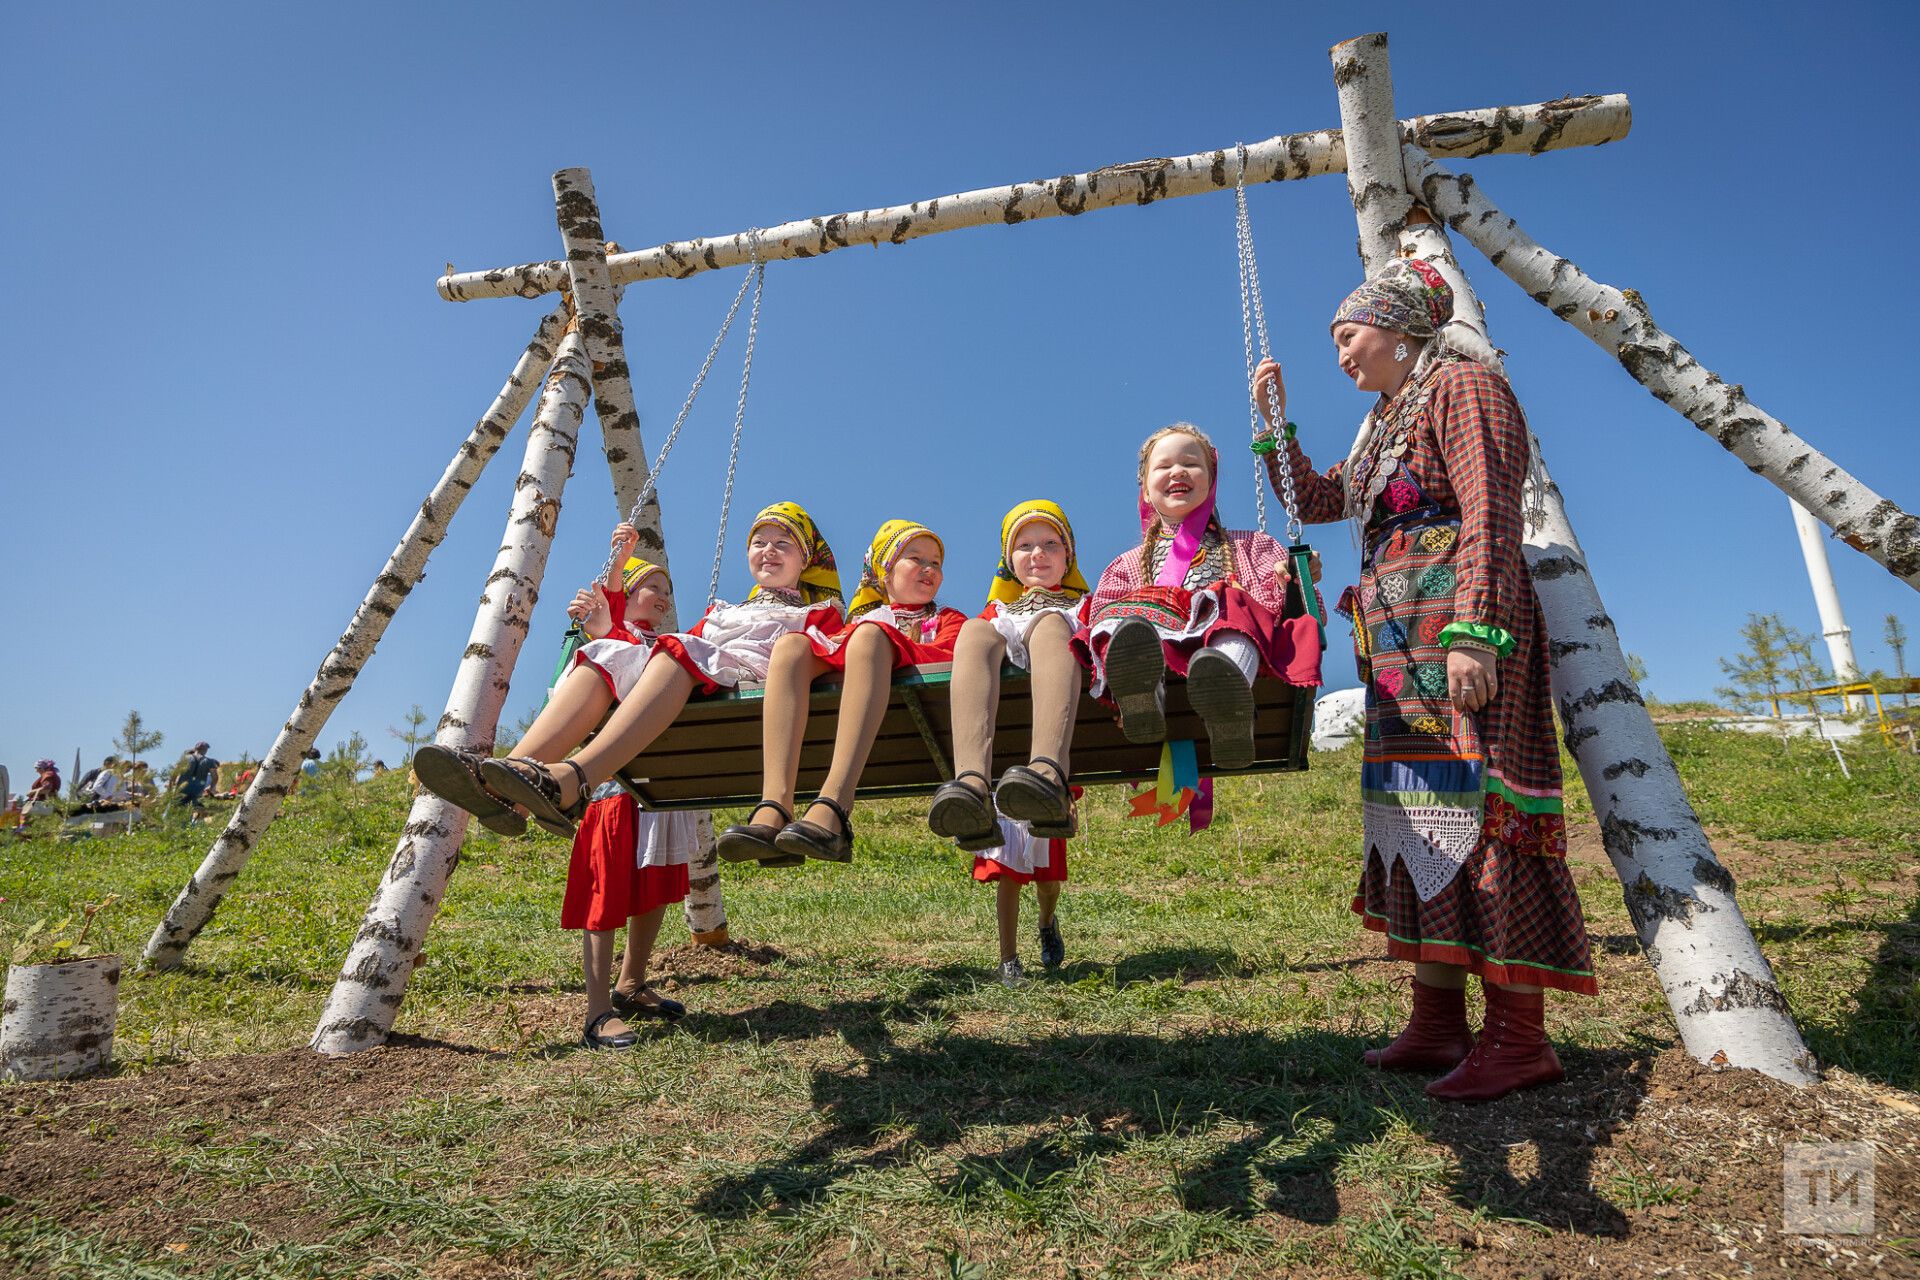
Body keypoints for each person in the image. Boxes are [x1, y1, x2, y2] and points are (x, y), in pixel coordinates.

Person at [1254, 256, 1595, 1103]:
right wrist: (1276, 426)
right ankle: (1438, 1022)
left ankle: (1520, 1038)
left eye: (1349, 334)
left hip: (1458, 633)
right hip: (1399, 646)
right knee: (1418, 818)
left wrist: (1477, 633)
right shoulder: (1384, 420)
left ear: (1402, 329)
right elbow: (1323, 500)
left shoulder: (1466, 387)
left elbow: (1488, 507)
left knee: (1481, 814)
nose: (1340, 352)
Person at [423, 505, 844, 844]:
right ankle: (510, 779)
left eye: (783, 542)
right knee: (610, 650)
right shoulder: (724, 611)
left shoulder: (818, 614)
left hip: (743, 693)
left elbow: (821, 663)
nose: (768, 550)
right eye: (758, 542)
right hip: (695, 680)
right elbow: (652, 650)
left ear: (806, 558)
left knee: (674, 650)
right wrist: (610, 609)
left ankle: (576, 779)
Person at [717, 519, 967, 865]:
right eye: (916, 559)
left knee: (869, 636)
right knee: (791, 646)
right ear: (883, 570)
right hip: (853, 715)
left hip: (919, 721)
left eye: (936, 563)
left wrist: (883, 641)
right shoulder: (858, 625)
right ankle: (774, 806)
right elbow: (832, 654)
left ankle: (834, 805)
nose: (928, 569)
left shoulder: (946, 619)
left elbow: (951, 662)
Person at [1072, 425, 1321, 768]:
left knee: (1234, 604)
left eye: (1191, 463)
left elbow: (1282, 614)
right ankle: (1141, 698)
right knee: (1118, 621)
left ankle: (1228, 701)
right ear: (1145, 490)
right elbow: (1101, 619)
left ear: (1211, 480)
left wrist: (1289, 582)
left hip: (1221, 646)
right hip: (1158, 653)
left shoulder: (1253, 546)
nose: (1177, 471)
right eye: (1163, 467)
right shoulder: (1125, 567)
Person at [926, 501, 1090, 986]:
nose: (1036, 553)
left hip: (1044, 757)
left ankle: (1047, 775)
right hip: (1002, 766)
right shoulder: (996, 615)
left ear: (1068, 558)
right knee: (974, 633)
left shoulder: (1081, 607)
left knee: (1052, 626)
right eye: (1023, 545)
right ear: (1008, 560)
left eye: (1050, 544)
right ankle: (972, 784)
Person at [173, 743, 219, 809]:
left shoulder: (185, 759)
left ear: (195, 749)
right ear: (206, 750)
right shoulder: (209, 762)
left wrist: (171, 787)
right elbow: (215, 777)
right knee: (189, 810)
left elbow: (174, 774)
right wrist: (210, 788)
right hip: (196, 791)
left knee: (173, 810)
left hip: (182, 789)